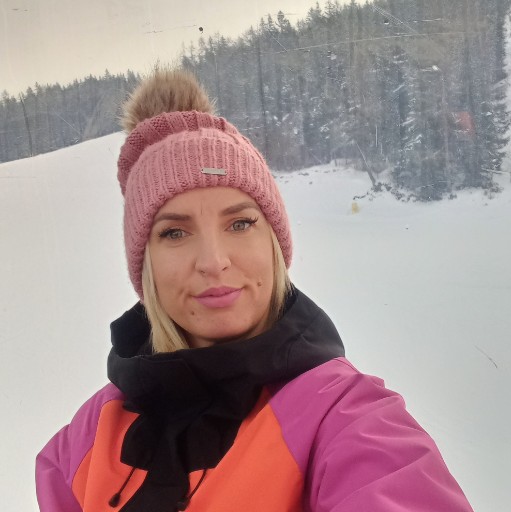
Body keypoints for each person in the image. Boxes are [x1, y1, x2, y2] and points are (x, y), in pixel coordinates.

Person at [35, 68, 474, 512]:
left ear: (274, 243)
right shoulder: (78, 448)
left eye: (240, 223)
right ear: (144, 263)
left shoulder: (346, 420)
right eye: (174, 233)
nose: (213, 261)